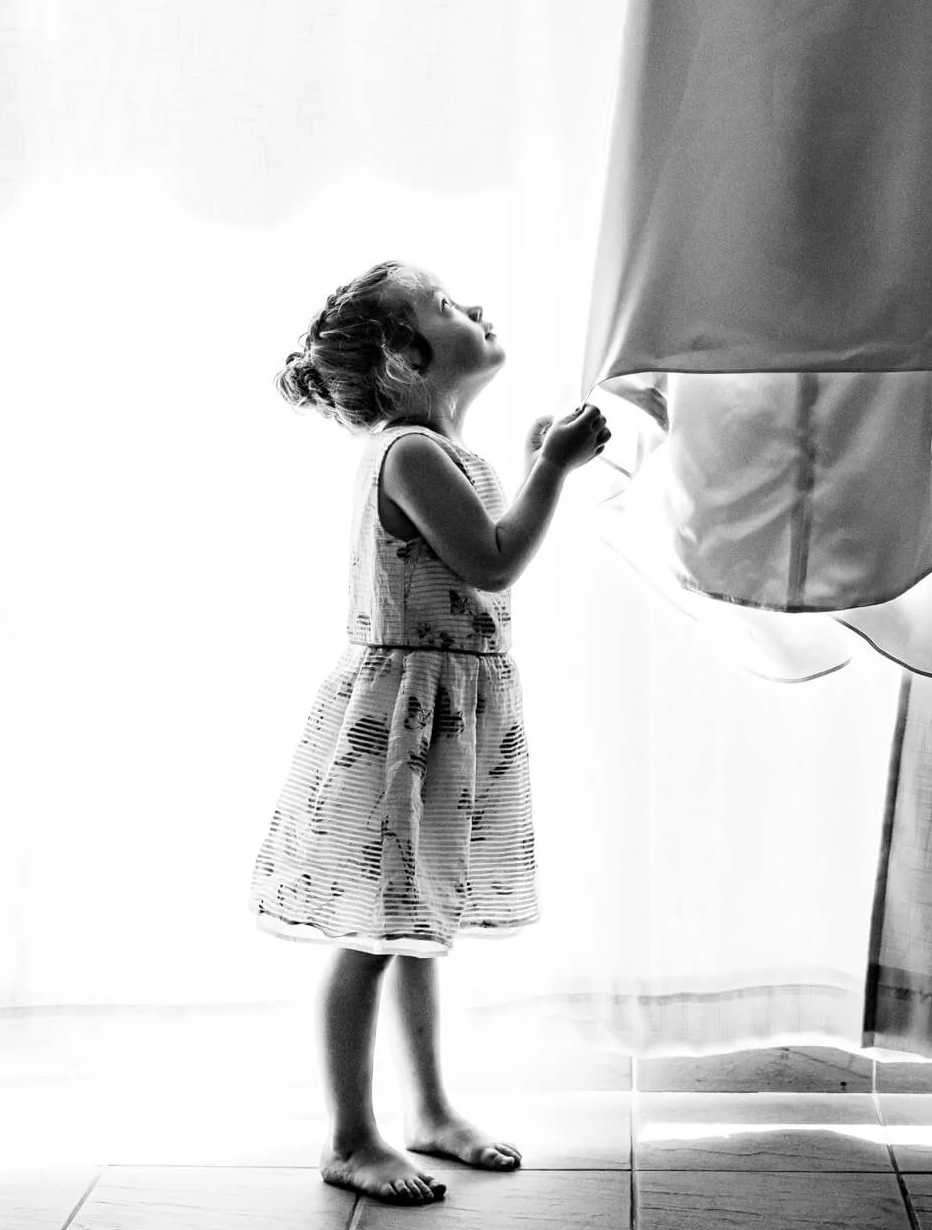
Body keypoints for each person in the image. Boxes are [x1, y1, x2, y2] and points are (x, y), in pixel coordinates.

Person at [250, 258, 609, 1207]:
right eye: (445, 307)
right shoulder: (409, 453)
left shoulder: (442, 455)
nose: (475, 306)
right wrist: (553, 472)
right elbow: (492, 564)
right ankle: (351, 1135)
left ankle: (433, 1111)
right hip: (401, 726)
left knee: (416, 927)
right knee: (372, 936)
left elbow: (477, 552)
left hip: (444, 716)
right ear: (404, 360)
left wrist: (532, 466)